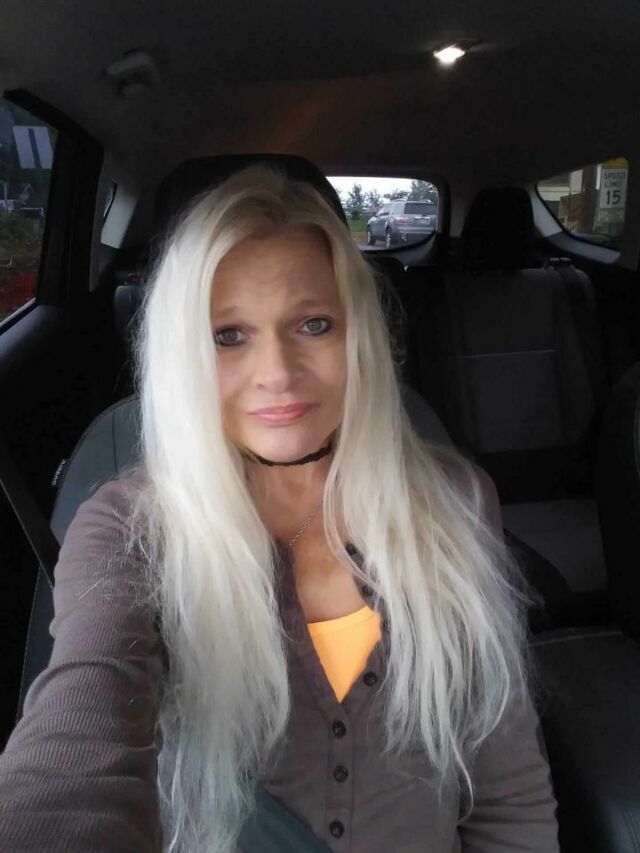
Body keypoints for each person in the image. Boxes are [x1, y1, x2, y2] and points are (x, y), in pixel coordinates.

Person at [0, 165, 560, 852]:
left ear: (358, 336)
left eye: (313, 324)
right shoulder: (128, 531)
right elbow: (79, 735)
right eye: (229, 335)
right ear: (182, 353)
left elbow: (508, 786)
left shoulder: (456, 501)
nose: (278, 374)